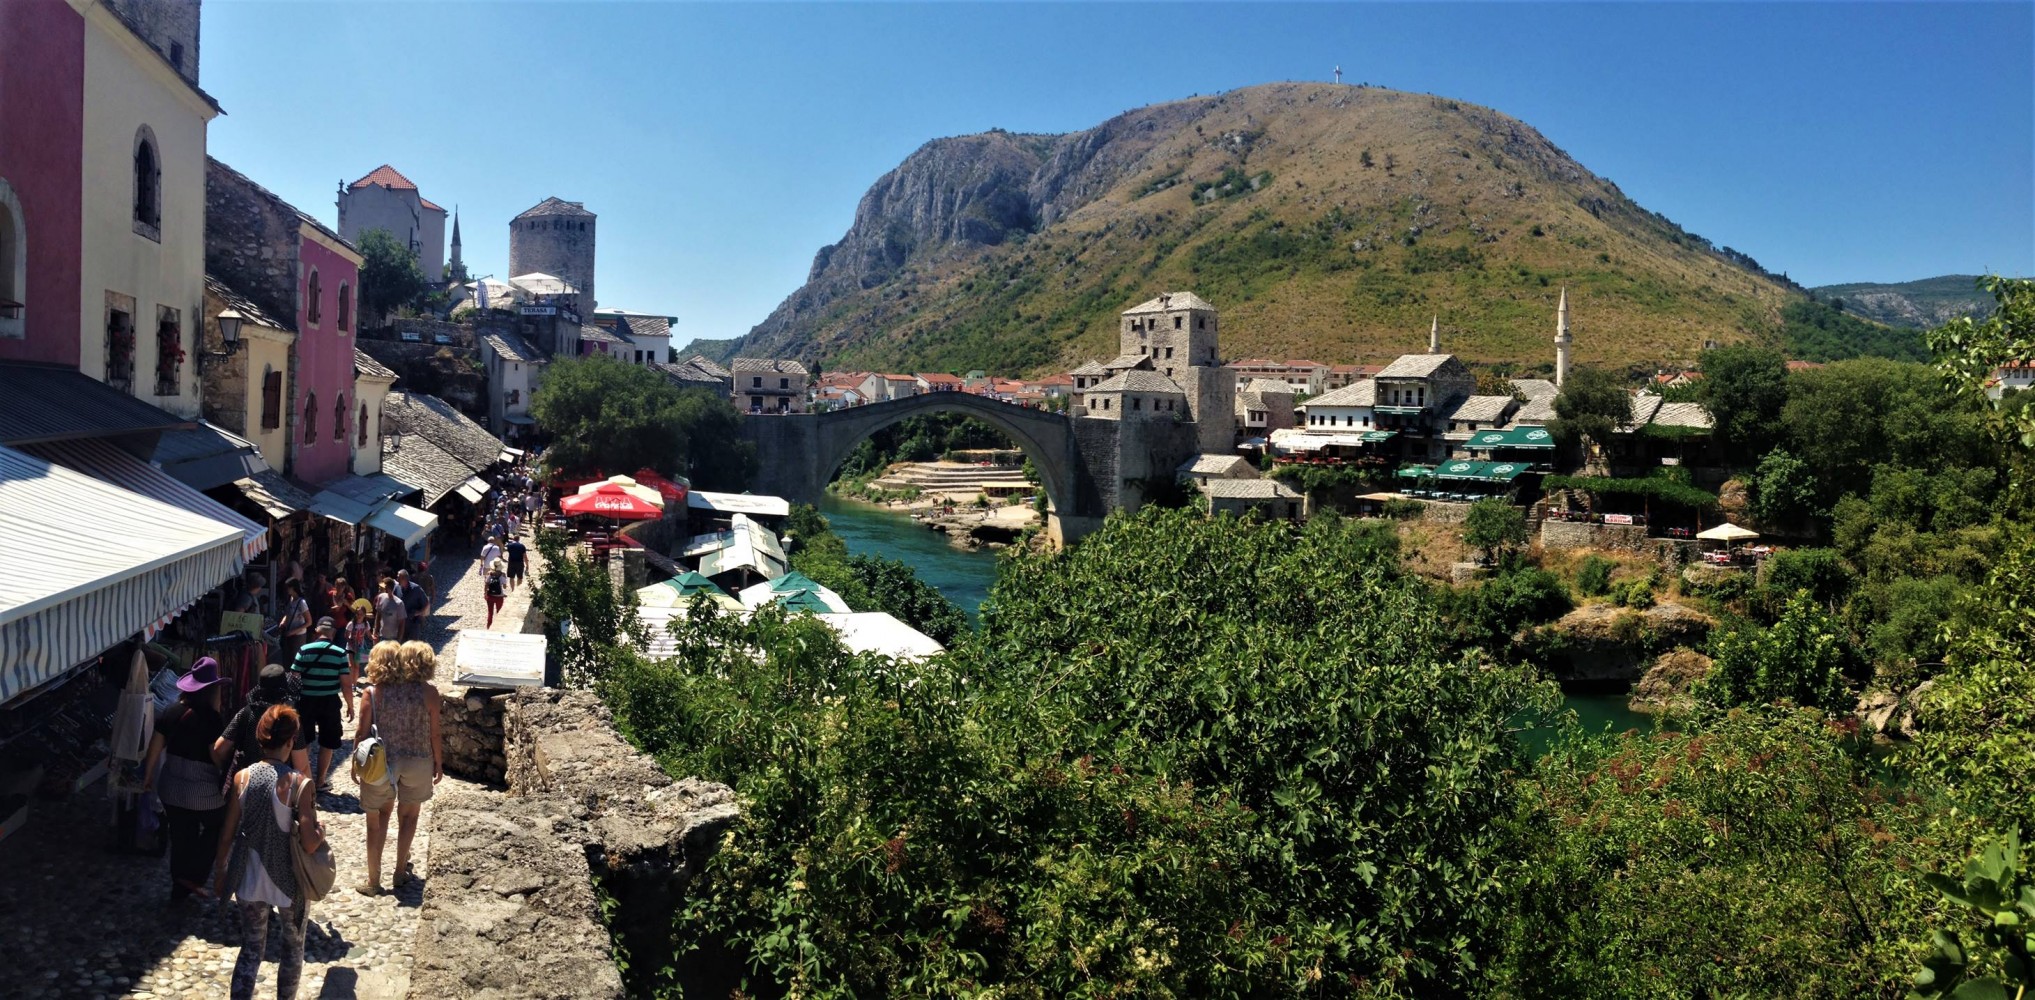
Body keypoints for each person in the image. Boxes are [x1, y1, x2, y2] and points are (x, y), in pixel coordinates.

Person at [213, 705, 322, 1000]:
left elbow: (227, 834)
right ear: (290, 742)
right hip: (288, 881)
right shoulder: (300, 784)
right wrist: (320, 832)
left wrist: (221, 871)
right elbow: (310, 844)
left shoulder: (242, 778)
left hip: (248, 877)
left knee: (250, 949)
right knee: (292, 947)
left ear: (261, 739)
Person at [353, 641, 443, 895]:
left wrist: (355, 763)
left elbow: (361, 732)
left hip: (381, 764)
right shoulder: (429, 693)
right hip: (418, 760)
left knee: (376, 820)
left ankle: (373, 881)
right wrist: (439, 763)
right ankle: (400, 872)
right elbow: (435, 733)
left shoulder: (373, 693)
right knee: (409, 816)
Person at [141, 658, 229, 903]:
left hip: (170, 786)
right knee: (218, 826)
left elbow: (155, 748)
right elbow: (215, 754)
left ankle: (179, 887)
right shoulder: (212, 718)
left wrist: (148, 777)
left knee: (181, 834)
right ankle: (195, 876)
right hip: (202, 790)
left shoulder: (170, 711)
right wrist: (226, 772)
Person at [289, 618, 354, 788]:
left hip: (306, 701)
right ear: (333, 632)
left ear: (317, 631)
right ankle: (320, 781)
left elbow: (294, 678)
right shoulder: (340, 653)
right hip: (329, 702)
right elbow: (346, 684)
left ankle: (304, 782)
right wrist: (351, 706)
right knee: (327, 742)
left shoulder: (303, 650)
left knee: (305, 741)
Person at [215, 664, 311, 778]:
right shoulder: (289, 719)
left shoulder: (246, 713)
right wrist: (310, 792)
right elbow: (302, 766)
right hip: (281, 787)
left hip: (246, 783)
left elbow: (219, 749)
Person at [277, 579, 311, 666]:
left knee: (296, 660)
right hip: (288, 634)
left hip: (298, 636)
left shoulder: (301, 603)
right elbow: (288, 614)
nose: (286, 589)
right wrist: (283, 622)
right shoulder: (291, 599)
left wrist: (293, 631)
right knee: (287, 659)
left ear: (293, 588)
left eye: (287, 587)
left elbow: (309, 622)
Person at [396, 569, 429, 639]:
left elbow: (426, 603)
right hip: (400, 622)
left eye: (398, 577)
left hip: (413, 622)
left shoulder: (416, 589)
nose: (397, 579)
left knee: (412, 645)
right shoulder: (397, 588)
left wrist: (419, 613)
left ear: (404, 578)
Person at [373, 577, 406, 644]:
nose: (379, 589)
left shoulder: (399, 603)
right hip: (381, 636)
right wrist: (375, 631)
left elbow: (402, 624)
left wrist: (398, 641)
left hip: (393, 638)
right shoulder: (380, 597)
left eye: (381, 587)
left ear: (387, 588)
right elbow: (378, 615)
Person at [482, 558, 508, 628]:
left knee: (490, 612)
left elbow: (486, 585)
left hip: (490, 596)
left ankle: (489, 626)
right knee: (499, 612)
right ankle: (498, 627)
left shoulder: (489, 574)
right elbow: (505, 587)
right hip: (499, 596)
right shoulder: (502, 575)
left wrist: (485, 593)